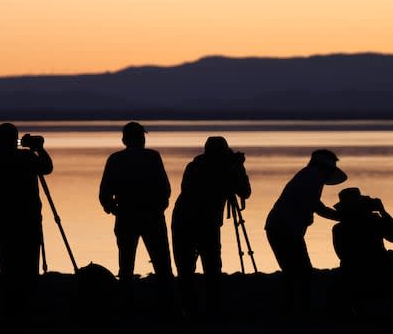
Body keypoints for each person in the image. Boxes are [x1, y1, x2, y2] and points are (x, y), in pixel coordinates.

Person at [171, 136, 251, 316]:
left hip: (183, 219)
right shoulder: (226, 168)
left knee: (185, 268)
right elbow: (245, 191)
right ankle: (213, 308)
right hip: (206, 222)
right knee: (212, 266)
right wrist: (238, 166)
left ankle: (189, 309)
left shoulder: (194, 165)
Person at [264, 149, 347, 316]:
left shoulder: (309, 175)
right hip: (285, 229)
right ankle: (298, 310)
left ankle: (291, 308)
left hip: (281, 227)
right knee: (302, 271)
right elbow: (316, 206)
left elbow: (312, 205)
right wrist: (340, 216)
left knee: (293, 271)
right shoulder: (313, 177)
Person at [99, 121, 173, 307]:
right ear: (141, 138)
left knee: (126, 263)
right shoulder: (153, 157)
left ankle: (125, 303)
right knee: (162, 263)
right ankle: (168, 303)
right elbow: (165, 188)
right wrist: (159, 207)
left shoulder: (115, 159)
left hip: (126, 216)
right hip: (151, 216)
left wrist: (113, 209)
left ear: (124, 139)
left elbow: (105, 192)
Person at [0, 123, 53, 311]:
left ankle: (9, 300)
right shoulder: (27, 158)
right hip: (28, 218)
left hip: (5, 218)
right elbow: (47, 167)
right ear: (15, 140)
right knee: (29, 262)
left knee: (7, 261)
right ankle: (28, 301)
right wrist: (39, 148)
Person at [331, 187, 393, 320]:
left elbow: (341, 254)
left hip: (352, 269)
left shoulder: (338, 228)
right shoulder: (374, 221)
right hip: (378, 266)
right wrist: (383, 212)